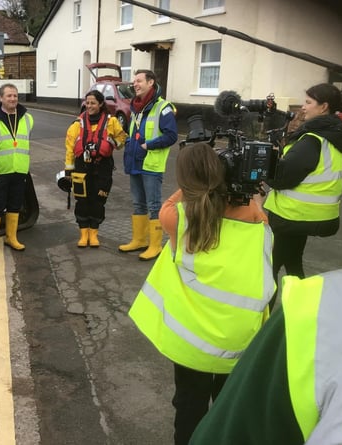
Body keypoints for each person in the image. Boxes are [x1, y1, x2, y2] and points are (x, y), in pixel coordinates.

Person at [128, 143, 275, 445]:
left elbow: (175, 201)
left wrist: (197, 180)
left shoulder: (176, 217)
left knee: (189, 408)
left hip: (192, 343)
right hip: (238, 341)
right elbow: (254, 207)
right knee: (226, 408)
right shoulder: (257, 219)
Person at [190, 267, 342, 444]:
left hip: (204, 327)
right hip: (239, 324)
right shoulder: (325, 310)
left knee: (192, 397)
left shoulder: (321, 310)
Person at [263, 83, 342, 308]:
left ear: (323, 107)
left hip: (290, 216)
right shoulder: (332, 136)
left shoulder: (312, 140)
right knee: (293, 264)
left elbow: (283, 178)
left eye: (308, 102)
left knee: (270, 268)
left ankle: (267, 321)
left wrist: (265, 172)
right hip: (310, 216)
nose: (303, 108)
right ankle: (306, 311)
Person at [119, 69, 178, 260]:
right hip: (135, 162)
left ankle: (155, 245)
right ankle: (139, 240)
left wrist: (148, 145)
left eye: (139, 81)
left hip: (151, 165)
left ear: (150, 82)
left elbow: (171, 136)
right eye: (134, 81)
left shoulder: (163, 107)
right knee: (138, 204)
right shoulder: (136, 107)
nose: (135, 84)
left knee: (153, 205)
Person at [64, 89, 126, 247]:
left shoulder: (111, 122)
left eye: (93, 103)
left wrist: (110, 143)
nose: (89, 106)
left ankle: (94, 234)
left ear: (100, 104)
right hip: (81, 167)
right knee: (82, 201)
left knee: (98, 201)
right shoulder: (77, 124)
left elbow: (122, 139)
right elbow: (70, 148)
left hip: (103, 168)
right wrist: (68, 170)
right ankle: (83, 234)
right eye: (87, 103)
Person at [0, 83, 34, 257]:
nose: (13, 99)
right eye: (9, 96)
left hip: (19, 170)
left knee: (15, 205)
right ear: (0, 98)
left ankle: (12, 237)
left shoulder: (28, 118)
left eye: (15, 96)